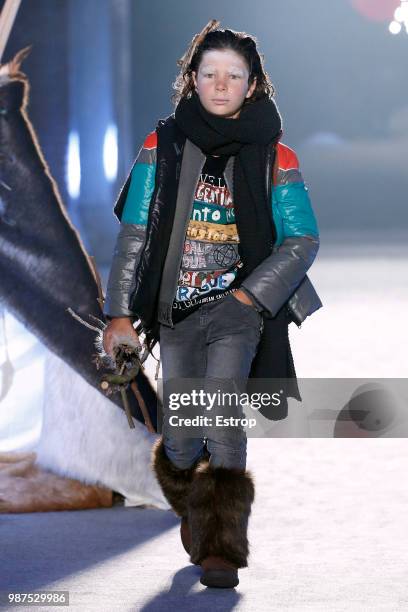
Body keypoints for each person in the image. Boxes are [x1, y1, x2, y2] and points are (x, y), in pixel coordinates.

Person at [103, 19, 322, 589]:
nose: (221, 85)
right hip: (174, 309)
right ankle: (193, 501)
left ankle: (221, 545)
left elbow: (302, 238)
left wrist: (250, 297)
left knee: (222, 418)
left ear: (252, 85)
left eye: (234, 76)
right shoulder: (163, 146)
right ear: (191, 80)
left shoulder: (278, 155)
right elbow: (135, 234)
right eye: (210, 74)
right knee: (181, 432)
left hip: (239, 312)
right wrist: (119, 313)